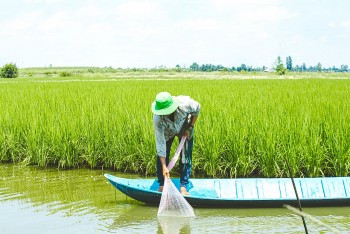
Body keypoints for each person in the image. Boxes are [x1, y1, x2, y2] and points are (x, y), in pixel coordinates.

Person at [151, 91, 200, 196]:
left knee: (185, 156)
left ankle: (183, 186)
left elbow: (197, 109)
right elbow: (160, 144)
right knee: (162, 157)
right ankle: (162, 185)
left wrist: (190, 126)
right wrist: (164, 166)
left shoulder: (185, 104)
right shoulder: (157, 118)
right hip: (168, 132)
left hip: (185, 128)